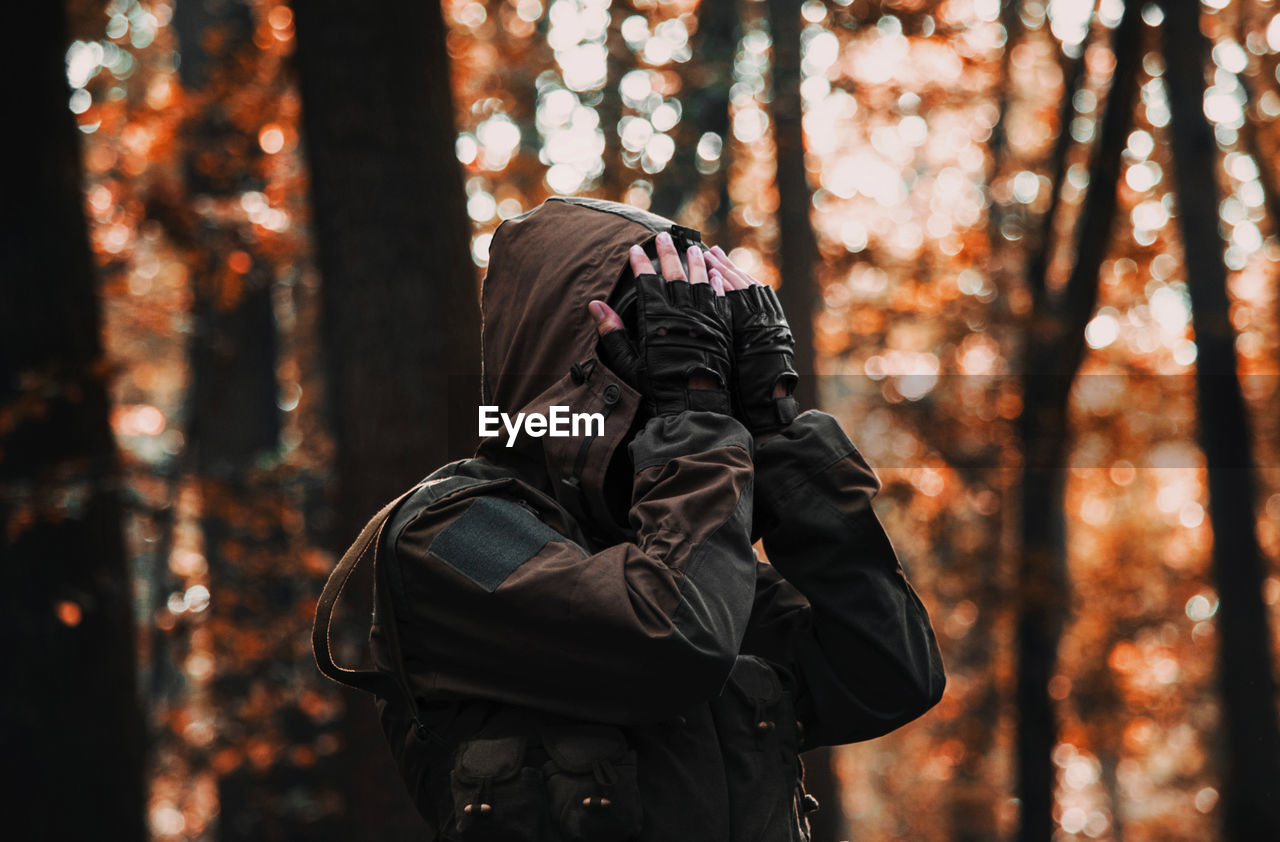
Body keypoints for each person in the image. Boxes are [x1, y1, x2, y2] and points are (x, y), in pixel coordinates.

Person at [314, 196, 945, 841]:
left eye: (701, 344)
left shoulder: (673, 547)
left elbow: (890, 673)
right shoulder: (448, 535)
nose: (689, 373)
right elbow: (672, 642)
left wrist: (778, 428)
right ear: (572, 358)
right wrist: (694, 421)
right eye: (655, 339)